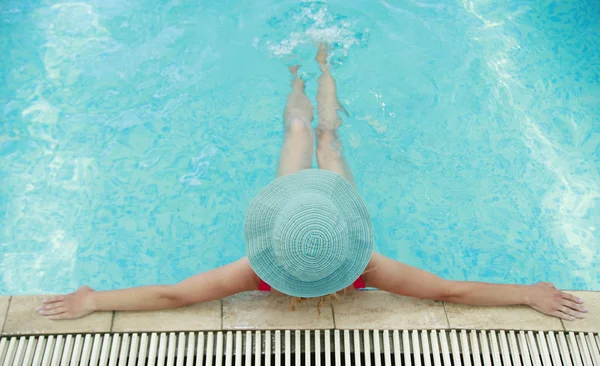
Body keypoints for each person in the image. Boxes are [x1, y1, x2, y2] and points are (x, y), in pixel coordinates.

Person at [37, 44, 587, 322]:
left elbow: (174, 293)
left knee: (299, 135)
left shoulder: (254, 269)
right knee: (327, 143)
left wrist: (94, 301)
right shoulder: (371, 266)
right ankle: (323, 66)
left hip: (301, 212)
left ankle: (299, 71)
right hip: (318, 211)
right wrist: (527, 295)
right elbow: (449, 290)